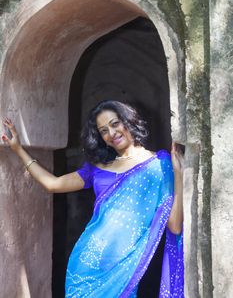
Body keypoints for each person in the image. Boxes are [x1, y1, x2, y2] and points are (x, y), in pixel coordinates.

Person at [2, 100, 184, 297]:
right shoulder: (98, 169)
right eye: (103, 130)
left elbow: (174, 226)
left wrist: (178, 174)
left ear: (129, 121)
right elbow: (52, 184)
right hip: (85, 265)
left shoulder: (160, 164)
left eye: (115, 124)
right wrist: (18, 149)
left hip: (124, 270)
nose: (112, 134)